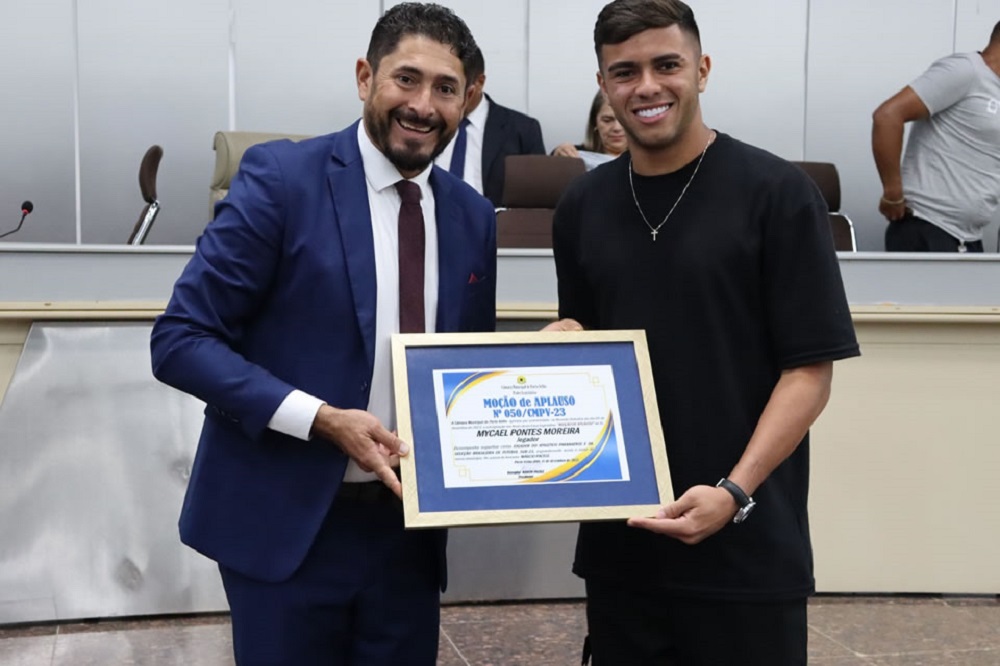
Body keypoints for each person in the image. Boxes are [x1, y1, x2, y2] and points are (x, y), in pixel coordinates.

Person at [149, 4, 496, 665]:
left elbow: (461, 368)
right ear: (366, 76)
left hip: (407, 535)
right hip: (287, 526)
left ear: (469, 98)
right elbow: (181, 339)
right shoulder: (281, 180)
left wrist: (548, 357)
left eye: (445, 88)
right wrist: (320, 419)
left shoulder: (473, 217)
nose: (423, 105)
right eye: (406, 79)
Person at [547, 1, 860, 663]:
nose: (647, 87)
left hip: (746, 548)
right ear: (604, 85)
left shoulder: (778, 194)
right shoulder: (582, 204)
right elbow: (590, 339)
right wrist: (559, 343)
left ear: (703, 69)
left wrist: (734, 492)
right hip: (621, 547)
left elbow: (809, 372)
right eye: (624, 72)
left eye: (668, 65)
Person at [873, 21, 1000, 252]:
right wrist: (893, 192)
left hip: (968, 238)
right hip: (926, 227)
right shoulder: (967, 70)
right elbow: (887, 116)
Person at [435, 46, 546, 206]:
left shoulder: (522, 129)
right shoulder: (426, 121)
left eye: (451, 87)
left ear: (479, 83)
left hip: (493, 225)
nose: (444, 95)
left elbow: (537, 196)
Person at [551, 90, 628, 169]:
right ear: (595, 122)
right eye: (607, 120)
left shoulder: (640, 160)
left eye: (623, 120)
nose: (617, 128)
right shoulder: (575, 155)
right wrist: (559, 154)